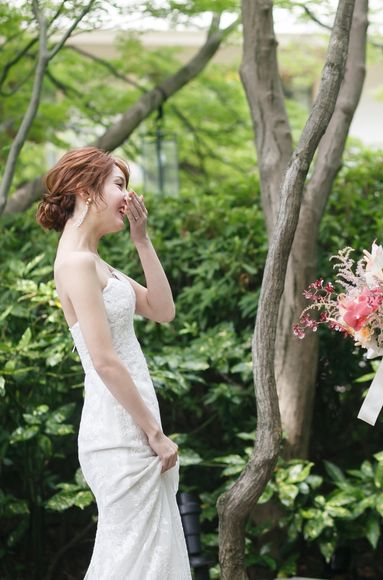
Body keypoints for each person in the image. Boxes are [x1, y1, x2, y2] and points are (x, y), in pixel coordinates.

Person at [36, 147, 191, 579]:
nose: (128, 196)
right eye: (119, 185)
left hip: (135, 424)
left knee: (153, 557)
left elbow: (162, 309)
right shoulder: (76, 263)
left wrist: (142, 240)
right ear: (86, 191)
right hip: (120, 433)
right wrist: (155, 433)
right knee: (129, 561)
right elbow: (104, 360)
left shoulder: (94, 261)